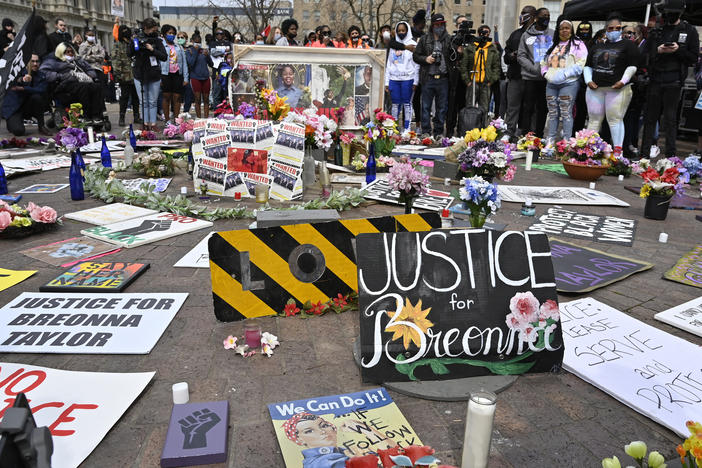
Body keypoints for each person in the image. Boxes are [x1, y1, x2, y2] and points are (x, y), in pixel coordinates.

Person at [641, 0, 700, 157]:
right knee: (650, 118)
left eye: (673, 13)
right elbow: (644, 55)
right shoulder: (657, 30)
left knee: (670, 119)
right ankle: (644, 155)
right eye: (667, 12)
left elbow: (693, 57)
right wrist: (657, 51)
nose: (669, 16)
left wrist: (678, 50)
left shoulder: (689, 31)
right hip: (655, 79)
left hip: (674, 80)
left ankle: (670, 156)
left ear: (680, 13)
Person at [584, 13, 640, 152]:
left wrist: (623, 81)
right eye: (611, 28)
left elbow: (633, 66)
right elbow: (588, 65)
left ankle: (618, 152)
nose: (614, 30)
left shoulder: (628, 45)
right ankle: (587, 151)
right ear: (606, 29)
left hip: (617, 89)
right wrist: (588, 80)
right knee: (594, 120)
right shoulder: (597, 47)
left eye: (618, 28)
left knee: (615, 120)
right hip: (596, 89)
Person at [541, 20, 587, 142]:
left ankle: (566, 142)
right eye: (562, 28)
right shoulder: (552, 44)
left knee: (566, 113)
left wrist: (565, 74)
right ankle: (550, 141)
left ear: (571, 30)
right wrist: (545, 73)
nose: (564, 30)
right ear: (558, 30)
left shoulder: (578, 44)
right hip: (551, 83)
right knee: (552, 113)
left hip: (569, 83)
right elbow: (543, 61)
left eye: (567, 28)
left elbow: (581, 63)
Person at [41, 43, 105, 124]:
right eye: (67, 52)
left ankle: (96, 116)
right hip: (64, 84)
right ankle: (86, 115)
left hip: (81, 81)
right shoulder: (53, 61)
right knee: (84, 87)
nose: (70, 53)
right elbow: (44, 73)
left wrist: (90, 75)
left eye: (72, 51)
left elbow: (89, 69)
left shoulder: (78, 60)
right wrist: (62, 76)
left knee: (96, 87)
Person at [413, 13, 452, 138]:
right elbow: (415, 56)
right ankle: (426, 131)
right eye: (437, 24)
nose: (439, 27)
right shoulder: (425, 39)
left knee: (442, 108)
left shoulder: (449, 39)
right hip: (428, 77)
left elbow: (454, 57)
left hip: (443, 78)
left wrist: (459, 51)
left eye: (441, 24)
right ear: (432, 25)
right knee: (425, 106)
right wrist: (426, 59)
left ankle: (439, 132)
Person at [517, 7, 554, 138]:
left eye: (548, 15)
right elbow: (521, 55)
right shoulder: (526, 35)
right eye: (544, 15)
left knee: (543, 109)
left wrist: (549, 70)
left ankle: (539, 135)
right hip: (530, 78)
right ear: (537, 18)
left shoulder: (553, 34)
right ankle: (526, 135)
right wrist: (533, 68)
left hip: (547, 79)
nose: (547, 18)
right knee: (528, 108)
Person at [128, 17, 167, 131]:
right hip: (140, 73)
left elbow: (164, 57)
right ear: (145, 28)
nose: (153, 31)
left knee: (152, 101)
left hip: (154, 74)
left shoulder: (157, 40)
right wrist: (133, 43)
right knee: (143, 101)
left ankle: (153, 123)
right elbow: (129, 53)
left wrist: (152, 50)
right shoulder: (137, 38)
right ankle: (145, 123)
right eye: (152, 29)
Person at [504, 5, 536, 138]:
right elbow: (506, 55)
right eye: (522, 13)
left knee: (531, 108)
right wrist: (512, 56)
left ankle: (529, 133)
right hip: (515, 76)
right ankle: (509, 131)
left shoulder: (538, 34)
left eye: (525, 13)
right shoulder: (515, 34)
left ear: (533, 17)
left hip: (532, 78)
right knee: (512, 107)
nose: (522, 15)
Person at [460, 24, 501, 128]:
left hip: (485, 83)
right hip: (472, 82)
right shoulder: (471, 47)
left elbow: (496, 67)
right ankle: (469, 128)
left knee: (484, 108)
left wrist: (490, 81)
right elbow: (463, 65)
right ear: (478, 33)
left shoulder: (492, 49)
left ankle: (482, 128)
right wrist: (467, 81)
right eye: (483, 32)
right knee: (470, 106)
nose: (485, 35)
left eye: (487, 33)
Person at [1, 54, 50, 136]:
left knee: (37, 98)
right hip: (14, 108)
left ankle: (41, 126)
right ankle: (11, 122)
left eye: (37, 61)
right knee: (18, 131)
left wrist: (24, 89)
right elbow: (13, 82)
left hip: (28, 106)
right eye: (32, 61)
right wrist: (22, 80)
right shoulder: (16, 72)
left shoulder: (41, 75)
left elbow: (42, 90)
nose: (35, 64)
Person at [385, 21, 419, 133]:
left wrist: (415, 81)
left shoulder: (413, 44)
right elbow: (389, 64)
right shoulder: (394, 45)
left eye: (403, 30)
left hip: (408, 79)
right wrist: (386, 82)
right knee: (395, 104)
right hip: (394, 79)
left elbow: (416, 64)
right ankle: (393, 128)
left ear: (407, 31)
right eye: (399, 30)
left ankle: (407, 128)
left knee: (407, 104)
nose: (401, 32)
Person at [445, 15, 469, 137]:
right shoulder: (452, 40)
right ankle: (449, 130)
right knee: (452, 106)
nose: (462, 26)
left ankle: (463, 131)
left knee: (464, 106)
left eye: (465, 23)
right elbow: (449, 57)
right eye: (460, 24)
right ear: (456, 26)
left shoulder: (470, 40)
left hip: (468, 79)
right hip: (454, 77)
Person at [113, 23, 140, 126]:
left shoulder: (133, 43)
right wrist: (118, 74)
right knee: (124, 98)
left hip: (135, 75)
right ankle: (122, 117)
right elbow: (116, 60)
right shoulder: (118, 45)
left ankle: (136, 116)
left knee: (136, 98)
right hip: (124, 76)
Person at [160, 24, 189, 123]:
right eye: (169, 33)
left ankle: (176, 119)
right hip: (165, 74)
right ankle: (167, 120)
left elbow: (184, 63)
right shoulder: (161, 46)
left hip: (177, 74)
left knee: (177, 97)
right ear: (164, 34)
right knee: (166, 97)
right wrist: (159, 78)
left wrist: (185, 77)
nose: (171, 35)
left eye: (173, 33)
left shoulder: (179, 47)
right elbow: (159, 63)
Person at [573, 20, 595, 135]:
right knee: (574, 110)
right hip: (575, 79)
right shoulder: (574, 43)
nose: (584, 32)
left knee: (586, 111)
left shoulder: (594, 44)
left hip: (588, 81)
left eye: (587, 29)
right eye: (582, 29)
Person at [186, 33, 213, 118]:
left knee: (206, 99)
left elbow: (211, 64)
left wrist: (207, 56)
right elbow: (190, 63)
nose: (198, 44)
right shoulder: (189, 51)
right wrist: (195, 52)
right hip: (195, 78)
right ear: (192, 41)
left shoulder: (204, 51)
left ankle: (206, 118)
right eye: (196, 42)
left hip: (205, 77)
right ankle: (199, 118)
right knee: (197, 99)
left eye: (199, 42)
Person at [79, 29, 107, 96]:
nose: (91, 37)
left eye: (93, 35)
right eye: (90, 35)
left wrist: (91, 56)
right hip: (88, 70)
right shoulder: (83, 46)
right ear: (86, 36)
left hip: (98, 69)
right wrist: (96, 57)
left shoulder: (98, 46)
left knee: (100, 89)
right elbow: (82, 57)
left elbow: (102, 56)